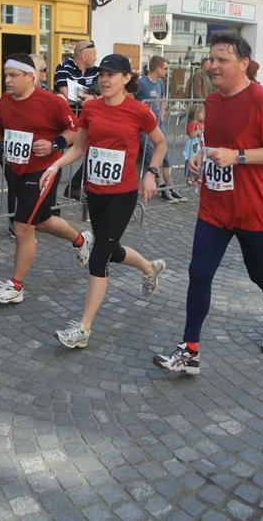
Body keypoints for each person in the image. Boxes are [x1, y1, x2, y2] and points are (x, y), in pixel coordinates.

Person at [153, 32, 263, 375]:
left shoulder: (261, 99)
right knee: (199, 272)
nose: (213, 65)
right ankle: (190, 350)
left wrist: (239, 156)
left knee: (259, 272)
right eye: (211, 59)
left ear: (243, 63)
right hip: (215, 206)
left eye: (222, 60)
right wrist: (201, 157)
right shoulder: (213, 101)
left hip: (253, 207)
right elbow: (217, 144)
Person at [42, 54, 167, 349]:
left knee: (99, 258)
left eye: (112, 74)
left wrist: (151, 173)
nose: (105, 79)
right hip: (95, 191)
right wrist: (55, 165)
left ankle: (83, 328)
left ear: (127, 78)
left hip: (123, 194)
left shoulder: (139, 111)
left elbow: (161, 143)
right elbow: (80, 147)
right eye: (102, 74)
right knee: (110, 250)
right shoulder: (91, 108)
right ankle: (149, 268)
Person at [0, 53, 92, 305]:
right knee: (41, 220)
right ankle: (81, 239)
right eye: (6, 75)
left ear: (30, 77)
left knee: (22, 227)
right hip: (16, 169)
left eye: (13, 75)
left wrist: (54, 144)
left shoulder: (52, 102)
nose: (7, 80)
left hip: (43, 170)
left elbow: (75, 131)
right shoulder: (5, 101)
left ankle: (16, 286)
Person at [53, 41, 99, 199]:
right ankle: (49, 196)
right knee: (55, 155)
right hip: (63, 123)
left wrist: (89, 97)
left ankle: (74, 187)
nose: (96, 58)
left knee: (96, 151)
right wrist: (90, 96)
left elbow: (101, 95)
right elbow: (66, 93)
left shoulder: (97, 71)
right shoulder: (65, 66)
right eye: (94, 55)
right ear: (84, 56)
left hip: (85, 123)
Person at [139, 56, 186, 203]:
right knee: (153, 156)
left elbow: (163, 98)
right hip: (145, 128)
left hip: (158, 124)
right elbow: (133, 99)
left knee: (164, 156)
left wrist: (162, 114)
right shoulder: (141, 83)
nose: (166, 71)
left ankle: (170, 187)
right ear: (158, 68)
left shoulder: (160, 83)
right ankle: (162, 187)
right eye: (165, 68)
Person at [184, 103, 205, 186]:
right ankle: (190, 177)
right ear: (196, 113)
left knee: (200, 161)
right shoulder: (192, 124)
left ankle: (198, 177)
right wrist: (198, 130)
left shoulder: (201, 123)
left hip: (200, 145)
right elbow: (191, 134)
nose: (204, 114)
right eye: (202, 113)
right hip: (193, 146)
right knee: (191, 160)